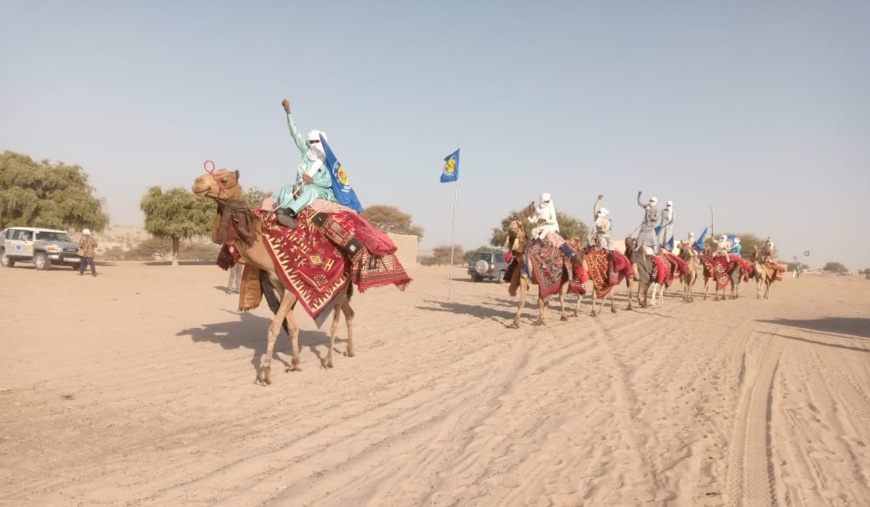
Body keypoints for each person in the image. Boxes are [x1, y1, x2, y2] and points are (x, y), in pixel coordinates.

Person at [273, 98, 336, 228]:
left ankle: (289, 212)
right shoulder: (306, 152)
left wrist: (313, 181)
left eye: (316, 142)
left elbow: (329, 182)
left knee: (312, 191)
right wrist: (288, 113)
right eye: (311, 142)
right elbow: (296, 134)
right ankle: (282, 213)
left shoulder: (328, 160)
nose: (313, 145)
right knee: (286, 189)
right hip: (302, 187)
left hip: (320, 190)